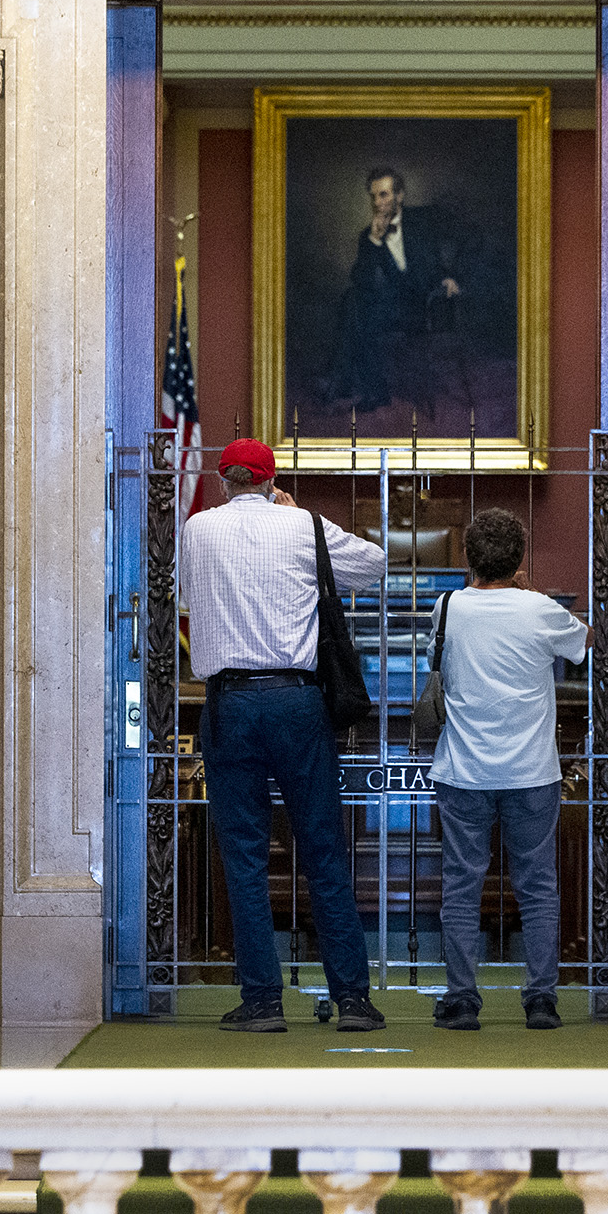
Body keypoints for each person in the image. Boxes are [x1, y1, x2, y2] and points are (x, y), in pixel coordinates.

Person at [178, 437, 389, 1032]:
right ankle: (351, 999)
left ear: (224, 481)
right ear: (272, 482)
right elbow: (373, 567)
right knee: (323, 851)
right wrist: (298, 519)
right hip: (298, 702)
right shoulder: (302, 525)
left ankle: (262, 1002)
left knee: (243, 858)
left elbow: (190, 597)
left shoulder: (198, 530)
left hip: (230, 704)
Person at [428, 507, 588, 1031]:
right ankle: (541, 998)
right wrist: (529, 592)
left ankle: (461, 999)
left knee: (460, 886)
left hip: (464, 771)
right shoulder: (540, 610)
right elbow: (584, 641)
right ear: (519, 559)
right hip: (531, 772)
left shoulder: (447, 608)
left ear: (468, 560)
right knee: (538, 885)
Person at [328, 167, 466, 414]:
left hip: (430, 305)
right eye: (373, 197)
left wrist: (450, 275)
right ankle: (363, 387)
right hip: (399, 306)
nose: (377, 203)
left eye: (383, 195)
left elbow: (465, 237)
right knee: (353, 299)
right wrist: (374, 240)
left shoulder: (423, 219)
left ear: (399, 196)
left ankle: (345, 382)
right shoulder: (368, 235)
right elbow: (362, 281)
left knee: (355, 308)